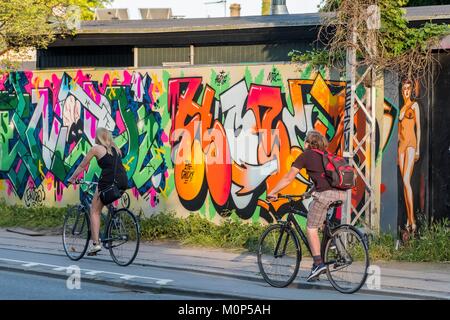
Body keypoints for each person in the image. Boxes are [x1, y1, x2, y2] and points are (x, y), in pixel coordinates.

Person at [267, 130, 346, 281]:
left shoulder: (306, 155)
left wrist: (273, 191)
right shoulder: (324, 155)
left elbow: (289, 177)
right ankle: (332, 244)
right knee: (319, 219)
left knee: (311, 228)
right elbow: (323, 179)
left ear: (308, 143)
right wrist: (308, 193)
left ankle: (318, 264)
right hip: (340, 194)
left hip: (325, 195)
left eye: (305, 141)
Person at [68, 127, 128, 255]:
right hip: (123, 181)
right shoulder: (116, 149)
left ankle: (95, 244)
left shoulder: (96, 149)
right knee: (106, 199)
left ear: (99, 137)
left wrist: (72, 178)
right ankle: (114, 220)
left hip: (108, 182)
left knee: (94, 211)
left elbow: (82, 165)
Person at [398, 80, 421, 234]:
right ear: (402, 91)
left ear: (411, 90)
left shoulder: (414, 106)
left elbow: (418, 128)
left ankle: (412, 221)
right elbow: (399, 127)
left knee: (407, 180)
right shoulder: (402, 107)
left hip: (412, 144)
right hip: (401, 146)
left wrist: (418, 148)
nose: (406, 91)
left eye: (408, 88)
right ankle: (408, 219)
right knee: (405, 184)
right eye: (404, 89)